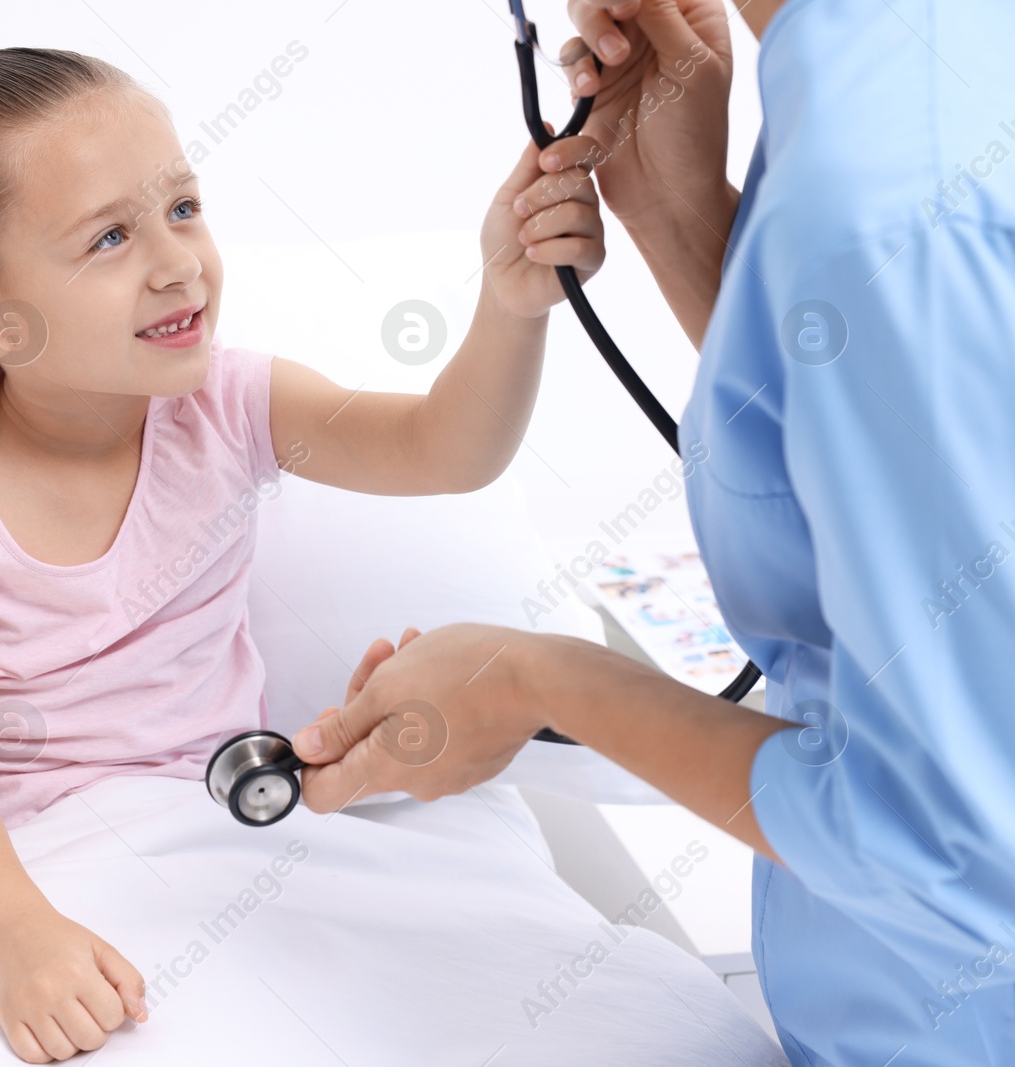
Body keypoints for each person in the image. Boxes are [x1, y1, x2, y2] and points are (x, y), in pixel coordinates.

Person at [0, 46, 605, 1063]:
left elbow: (444, 449)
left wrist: (512, 301)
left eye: (182, 206)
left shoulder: (229, 404)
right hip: (43, 869)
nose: (177, 260)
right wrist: (19, 937)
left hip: (233, 824)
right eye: (109, 237)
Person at [289, 1, 1015, 1063]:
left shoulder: (887, 199)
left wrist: (533, 681)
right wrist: (679, 214)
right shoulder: (905, 68)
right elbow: (912, 449)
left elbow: (957, 848)